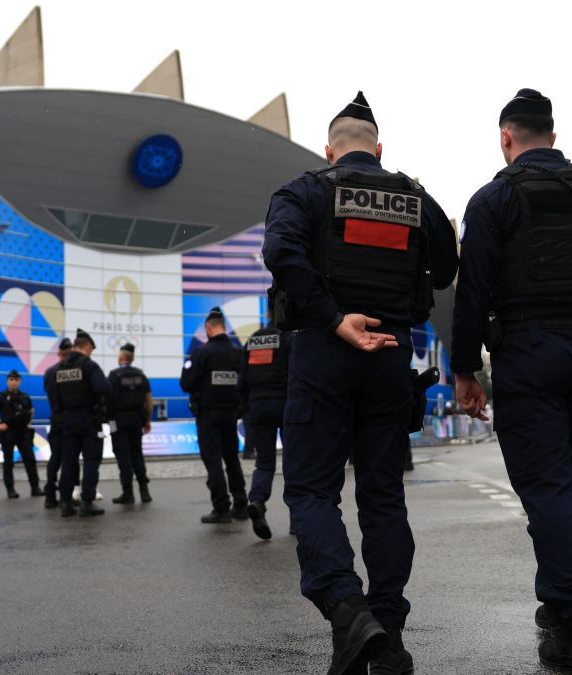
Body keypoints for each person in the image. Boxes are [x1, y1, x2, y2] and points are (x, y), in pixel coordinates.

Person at [262, 91, 458, 674]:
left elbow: (280, 251)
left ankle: (350, 613)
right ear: (379, 149)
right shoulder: (417, 198)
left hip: (326, 349)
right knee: (383, 497)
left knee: (311, 491)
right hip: (391, 355)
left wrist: (331, 315)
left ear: (329, 150)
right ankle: (387, 634)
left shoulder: (304, 190)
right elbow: (446, 270)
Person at [451, 88, 572, 670]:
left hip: (529, 353)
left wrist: (464, 370)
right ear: (552, 136)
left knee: (547, 487)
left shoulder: (492, 199)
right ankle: (561, 612)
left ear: (506, 137)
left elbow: (472, 292)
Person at [180, 307, 247, 524]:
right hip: (231, 414)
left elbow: (186, 383)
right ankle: (240, 504)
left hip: (208, 414)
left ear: (209, 328)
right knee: (231, 458)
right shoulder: (238, 353)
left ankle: (221, 508)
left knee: (213, 460)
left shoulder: (201, 353)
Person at [243, 294, 292, 540]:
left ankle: (258, 501)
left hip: (258, 406)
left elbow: (243, 378)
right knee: (295, 461)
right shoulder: (288, 338)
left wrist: (247, 408)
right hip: (286, 405)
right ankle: (299, 518)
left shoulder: (253, 340)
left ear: (268, 313)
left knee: (264, 462)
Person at [49, 330, 111, 517]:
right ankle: (87, 503)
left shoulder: (59, 369)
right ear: (87, 347)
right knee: (91, 461)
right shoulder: (89, 366)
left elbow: (54, 396)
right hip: (89, 421)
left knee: (68, 463)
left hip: (67, 422)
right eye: (91, 349)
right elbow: (104, 388)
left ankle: (66, 503)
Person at [106, 343, 153, 504]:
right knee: (137, 454)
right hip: (136, 420)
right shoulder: (141, 375)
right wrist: (147, 420)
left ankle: (128, 493)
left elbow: (106, 400)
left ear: (121, 358)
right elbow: (149, 400)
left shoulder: (113, 375)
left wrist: (108, 421)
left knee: (122, 456)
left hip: (117, 421)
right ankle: (144, 492)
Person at [0, 370, 44, 499]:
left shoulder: (24, 396)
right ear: (8, 381)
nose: (14, 382)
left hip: (23, 432)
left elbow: (31, 410)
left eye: (17, 380)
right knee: (8, 462)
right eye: (12, 380)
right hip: (8, 433)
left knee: (30, 460)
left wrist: (28, 423)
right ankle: (10, 489)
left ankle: (35, 488)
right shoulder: (1, 396)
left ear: (20, 381)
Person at [42, 337, 73, 508]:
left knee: (55, 458)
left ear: (58, 353)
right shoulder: (72, 370)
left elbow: (47, 390)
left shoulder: (49, 372)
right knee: (69, 459)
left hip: (55, 419)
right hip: (69, 420)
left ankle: (50, 494)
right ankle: (65, 496)